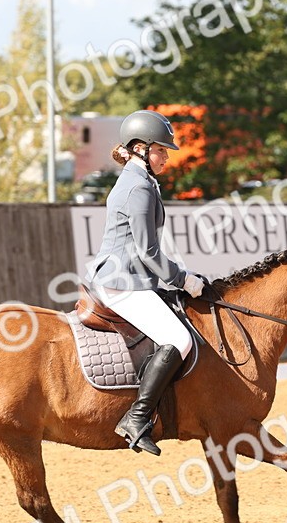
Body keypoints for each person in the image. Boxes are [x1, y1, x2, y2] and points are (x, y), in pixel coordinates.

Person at [84, 110, 206, 456]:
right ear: (140, 149)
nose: (166, 157)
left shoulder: (141, 180)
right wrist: (182, 280)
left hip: (133, 275)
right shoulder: (138, 186)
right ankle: (137, 418)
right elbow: (147, 249)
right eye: (161, 151)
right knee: (178, 338)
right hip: (122, 281)